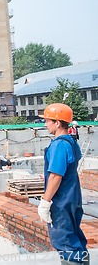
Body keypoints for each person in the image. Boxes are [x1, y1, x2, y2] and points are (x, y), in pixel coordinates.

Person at [37, 103, 89, 265]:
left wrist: (45, 202)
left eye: (47, 121)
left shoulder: (59, 144)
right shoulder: (71, 142)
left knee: (64, 241)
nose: (45, 124)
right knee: (75, 238)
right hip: (72, 196)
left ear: (57, 123)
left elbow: (55, 177)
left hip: (61, 200)